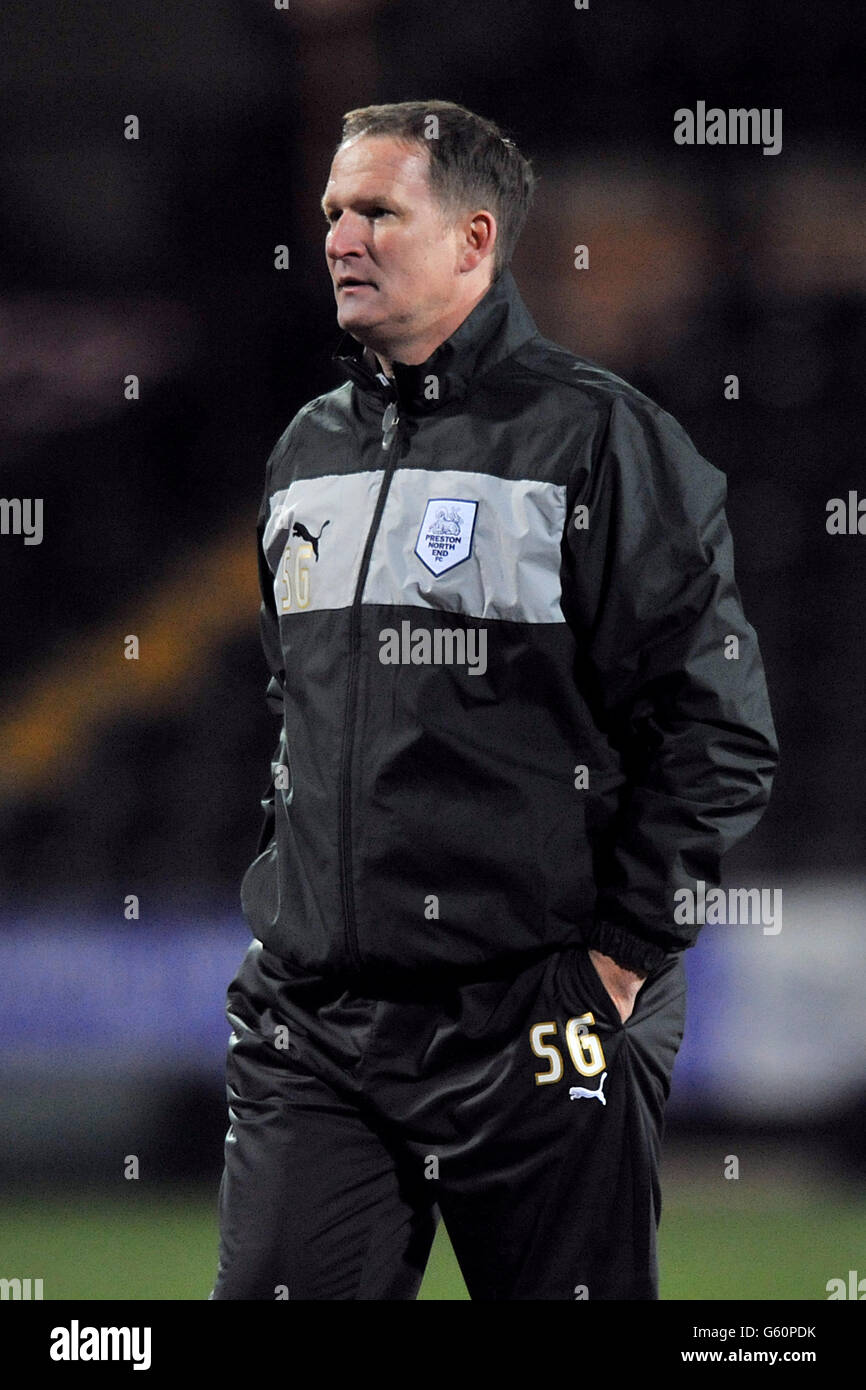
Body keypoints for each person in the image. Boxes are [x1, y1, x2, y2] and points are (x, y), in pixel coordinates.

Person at [210, 99, 778, 1301]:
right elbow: (295, 714)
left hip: (535, 1014)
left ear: (473, 238)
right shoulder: (306, 451)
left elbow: (716, 731)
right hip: (316, 1028)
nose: (338, 239)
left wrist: (615, 964)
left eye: (376, 212)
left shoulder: (600, 440)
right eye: (331, 213)